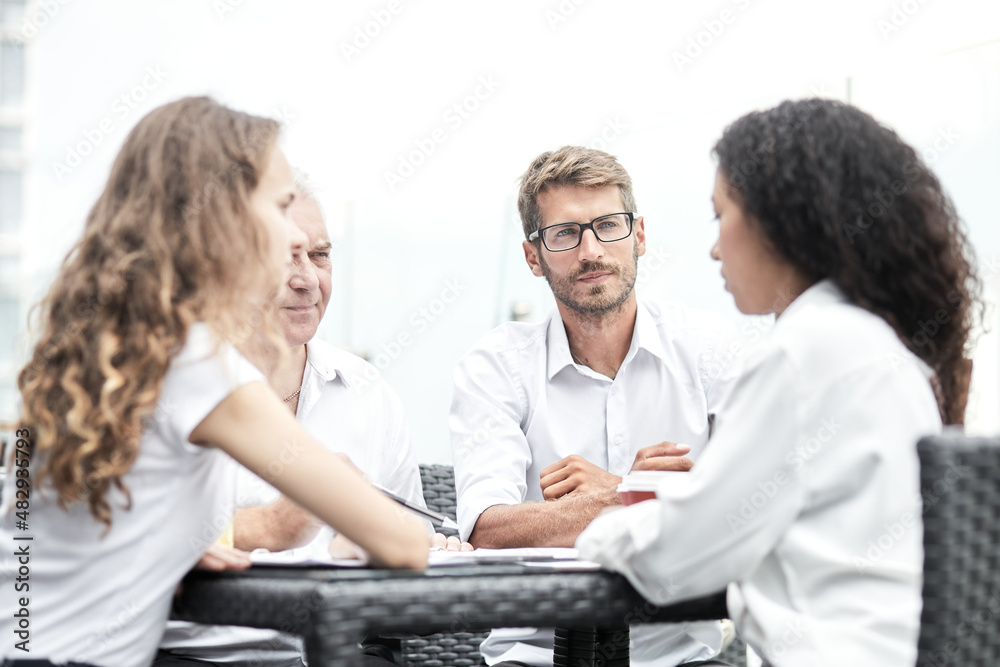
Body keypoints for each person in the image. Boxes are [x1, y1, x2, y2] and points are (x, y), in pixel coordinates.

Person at [0, 97, 429, 667]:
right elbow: (403, 544)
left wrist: (170, 546)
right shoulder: (198, 363)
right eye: (279, 206)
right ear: (226, 217)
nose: (293, 235)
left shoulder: (113, 346)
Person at [577, 98, 981, 666]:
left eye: (721, 216)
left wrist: (602, 527)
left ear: (781, 218)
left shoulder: (807, 352)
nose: (714, 248)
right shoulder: (881, 350)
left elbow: (679, 554)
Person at [156, 174, 470, 667]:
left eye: (319, 256)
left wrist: (411, 561)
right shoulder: (166, 385)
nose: (307, 280)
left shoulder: (368, 392)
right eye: (285, 258)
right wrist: (266, 527)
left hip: (342, 653)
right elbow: (105, 540)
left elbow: (408, 569)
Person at [450, 146, 744, 666]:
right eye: (564, 234)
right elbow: (485, 530)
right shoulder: (495, 365)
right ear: (532, 257)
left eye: (608, 225)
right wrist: (628, 500)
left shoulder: (709, 348)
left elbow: (761, 500)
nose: (591, 250)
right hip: (534, 657)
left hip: (682, 654)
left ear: (640, 236)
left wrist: (611, 493)